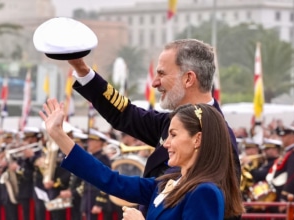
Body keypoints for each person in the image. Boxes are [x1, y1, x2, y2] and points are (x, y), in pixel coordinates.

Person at [33, 19, 240, 218]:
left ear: (188, 78)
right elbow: (126, 115)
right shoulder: (176, 126)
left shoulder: (218, 138)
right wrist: (82, 69)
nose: (154, 83)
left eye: (161, 73)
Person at [39, 99, 244, 219]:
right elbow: (110, 180)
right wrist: (58, 135)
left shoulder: (205, 192)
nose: (165, 144)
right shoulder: (168, 183)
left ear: (197, 139)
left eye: (173, 135)